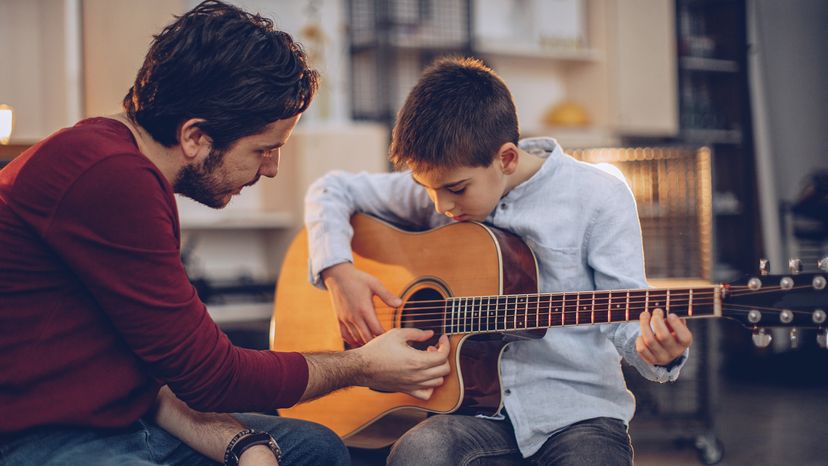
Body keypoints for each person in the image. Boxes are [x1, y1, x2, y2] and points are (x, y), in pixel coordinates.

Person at [0, 1, 450, 465]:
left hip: (133, 416)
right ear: (195, 137)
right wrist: (362, 367)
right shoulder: (109, 177)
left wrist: (241, 441)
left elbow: (165, 368)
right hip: (42, 435)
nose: (272, 168)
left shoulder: (120, 163)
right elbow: (211, 375)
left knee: (318, 449)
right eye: (264, 149)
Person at [304, 56, 694, 465]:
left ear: (506, 158)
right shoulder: (443, 183)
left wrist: (657, 349)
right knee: (419, 452)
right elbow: (330, 190)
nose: (440, 204)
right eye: (427, 188)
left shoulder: (599, 196)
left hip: (579, 413)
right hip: (472, 415)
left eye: (456, 188)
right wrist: (337, 272)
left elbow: (625, 317)